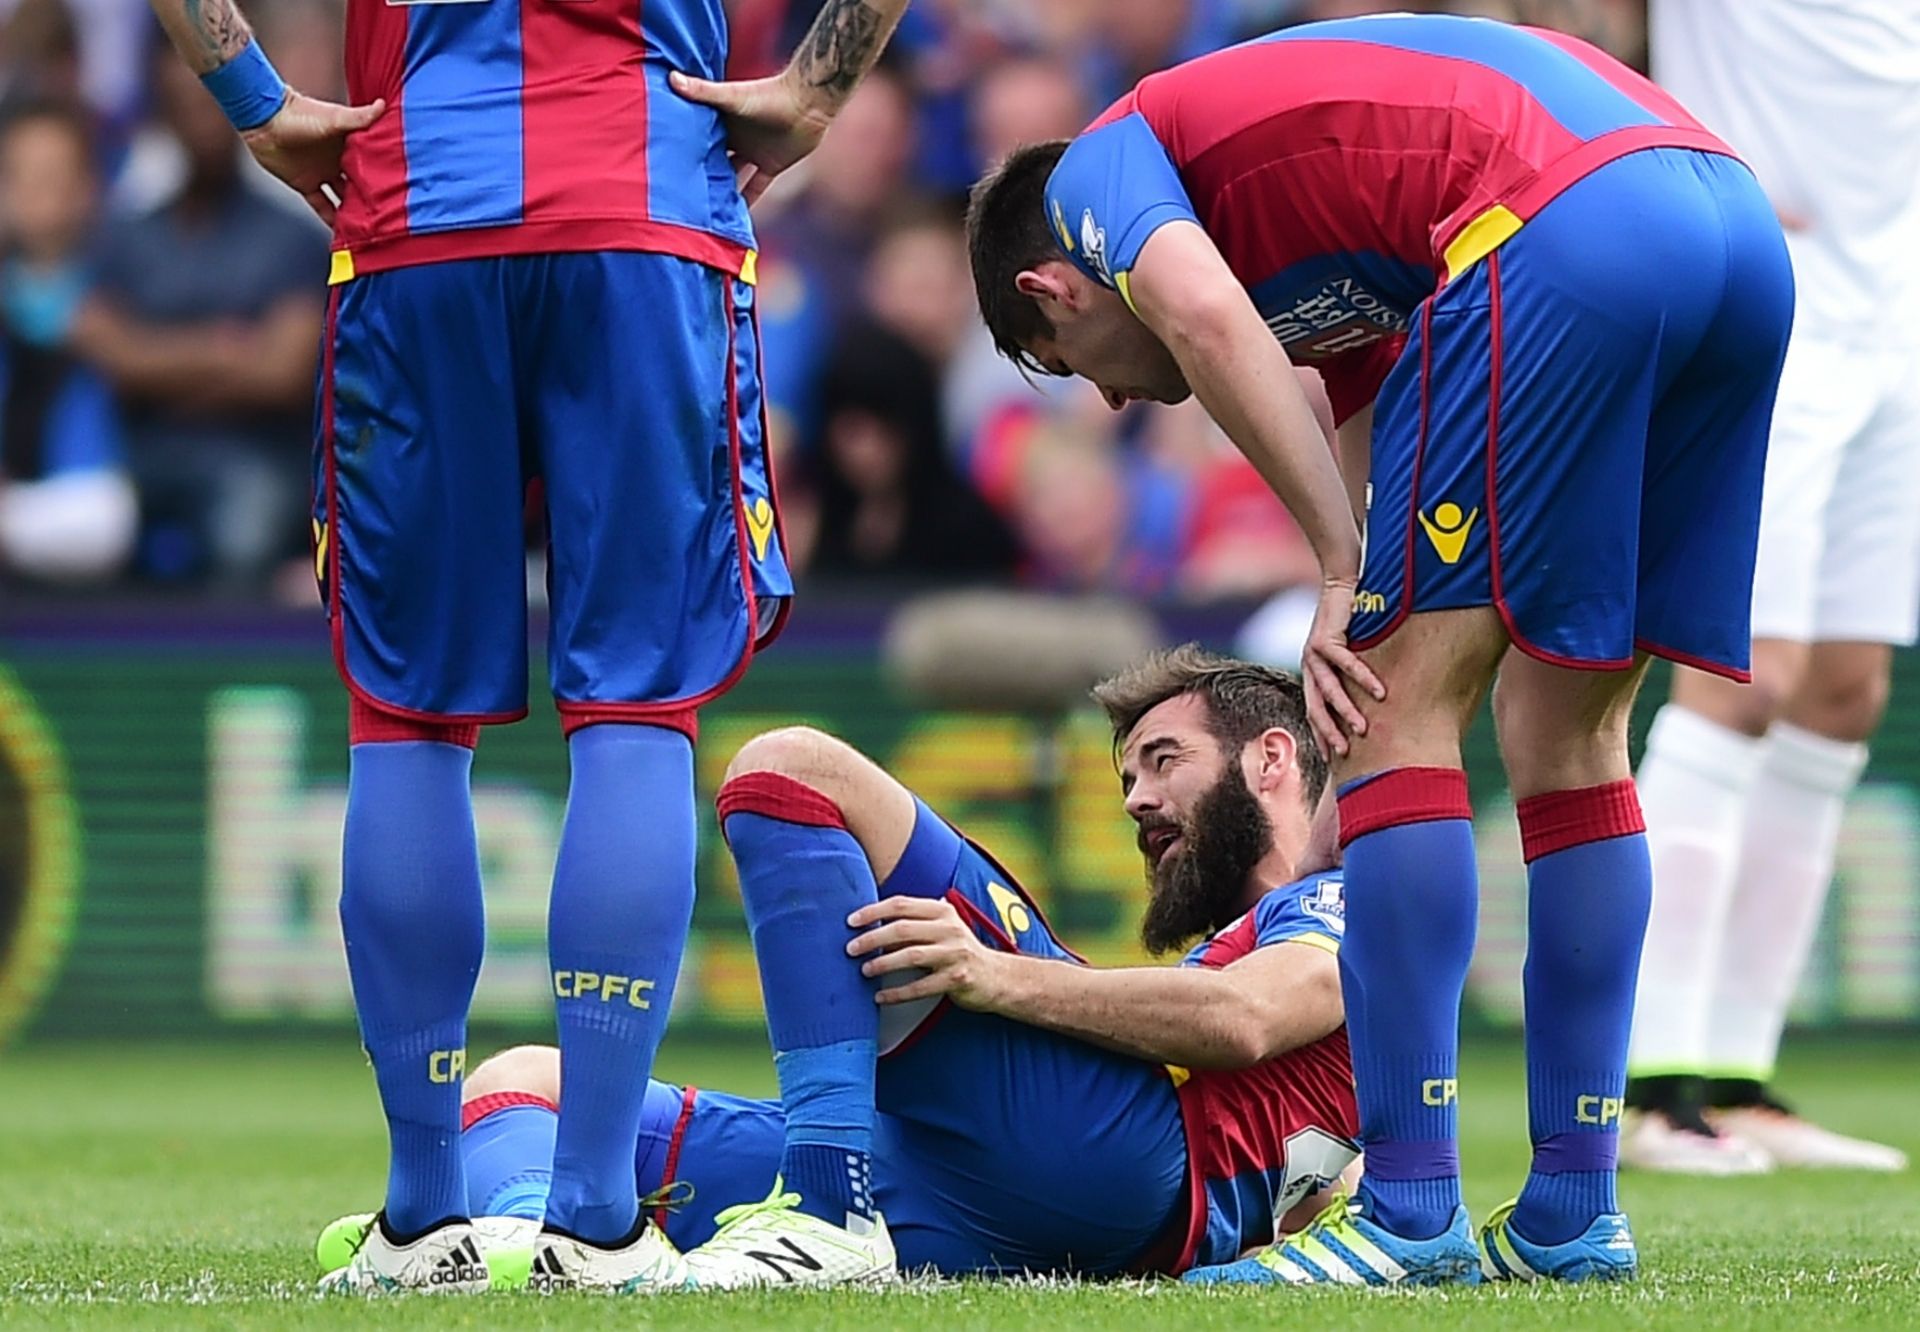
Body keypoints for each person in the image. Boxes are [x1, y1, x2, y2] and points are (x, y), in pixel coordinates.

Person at [680, 7, 1795, 1286]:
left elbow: (1208, 326)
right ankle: (1571, 1218)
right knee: (1571, 732)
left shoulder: (1103, 171)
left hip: (1559, 223)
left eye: (1074, 364)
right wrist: (1367, 562)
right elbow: (1384, 434)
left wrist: (1337, 575)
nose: (1107, 399)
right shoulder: (1344, 267)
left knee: (1385, 712)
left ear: (1054, 288)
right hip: (1722, 223)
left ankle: (1415, 1216)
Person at [142, 0, 900, 1293]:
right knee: (639, 712)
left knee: (407, 722)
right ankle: (597, 1220)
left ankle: (422, 1219)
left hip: (412, 219)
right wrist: (823, 85)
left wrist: (256, 98)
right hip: (649, 210)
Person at [319, 647, 1362, 1287]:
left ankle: (826, 1211)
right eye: (1126, 773)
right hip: (988, 1195)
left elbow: (1244, 1019)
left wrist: (992, 975)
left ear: (1272, 758)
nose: (1135, 797)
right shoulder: (1303, 958)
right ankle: (506, 1245)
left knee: (792, 770)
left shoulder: (1343, 901)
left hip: (1114, 1162)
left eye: (1164, 760)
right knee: (519, 1084)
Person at [1621, 0, 1918, 1177]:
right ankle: (1646, 1088)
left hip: (1898, 313)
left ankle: (1738, 1079)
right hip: (1771, 292)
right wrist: (1661, 146)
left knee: (1844, 690)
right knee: (1741, 679)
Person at [0, 99, 134, 585]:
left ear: (87, 189)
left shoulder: (120, 289)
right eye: (21, 177)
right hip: (17, 492)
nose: (37, 195)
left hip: (89, 496)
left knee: (105, 520)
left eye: (54, 176)